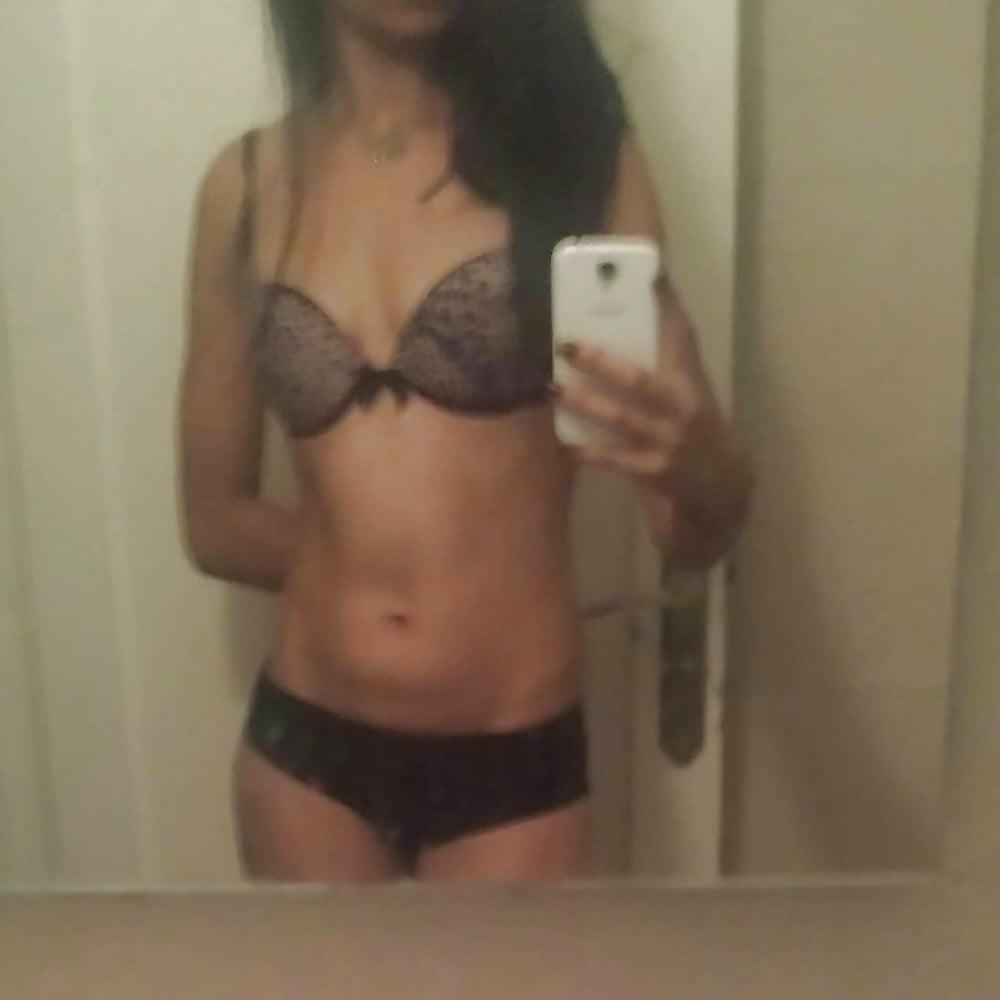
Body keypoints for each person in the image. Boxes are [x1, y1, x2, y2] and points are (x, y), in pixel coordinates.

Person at [178, 0, 753, 884]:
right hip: (306, 753)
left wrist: (704, 463)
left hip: (512, 757)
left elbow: (690, 532)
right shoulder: (247, 186)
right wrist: (363, 564)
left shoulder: (580, 165)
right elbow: (214, 522)